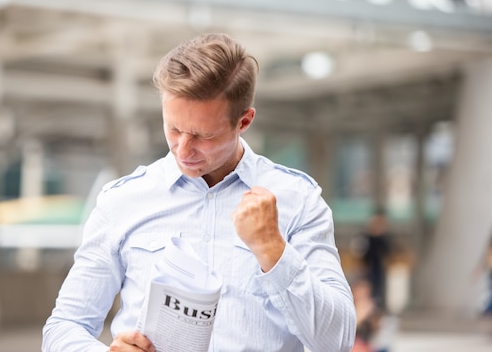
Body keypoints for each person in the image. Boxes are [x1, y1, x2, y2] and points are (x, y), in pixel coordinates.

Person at [42, 33, 356, 352]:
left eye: (202, 135)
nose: (183, 149)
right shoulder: (122, 201)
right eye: (174, 128)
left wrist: (272, 250)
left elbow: (338, 341)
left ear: (244, 121)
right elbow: (64, 326)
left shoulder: (298, 200)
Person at [360, 210, 392, 309]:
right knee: (368, 289)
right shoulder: (368, 238)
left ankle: (377, 308)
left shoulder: (383, 238)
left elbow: (387, 251)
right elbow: (364, 254)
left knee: (378, 290)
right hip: (368, 268)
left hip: (378, 268)